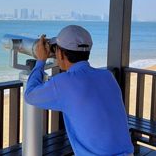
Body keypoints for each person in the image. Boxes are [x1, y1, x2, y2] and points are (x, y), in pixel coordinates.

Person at [24, 25, 134, 156]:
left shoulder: (64, 83)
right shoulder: (107, 76)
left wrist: (41, 60)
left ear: (60, 53)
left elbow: (30, 94)